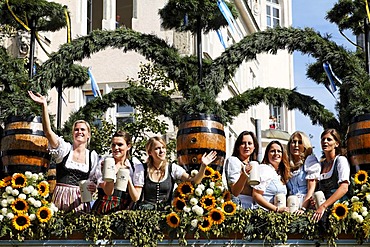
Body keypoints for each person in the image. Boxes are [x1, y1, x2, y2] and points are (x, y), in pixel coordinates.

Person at [28, 91, 99, 213]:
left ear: (88, 135)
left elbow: (94, 182)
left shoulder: (92, 156)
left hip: (80, 202)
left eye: (83, 130)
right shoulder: (65, 149)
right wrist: (44, 105)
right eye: (76, 130)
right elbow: (48, 132)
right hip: (60, 198)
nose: (79, 132)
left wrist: (94, 187)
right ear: (73, 133)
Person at [139, 136, 217, 210]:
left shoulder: (172, 168)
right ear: (149, 152)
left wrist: (203, 166)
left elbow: (194, 181)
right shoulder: (143, 169)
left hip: (165, 214)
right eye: (157, 148)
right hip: (145, 213)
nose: (162, 151)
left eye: (163, 147)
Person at [92, 131, 144, 214]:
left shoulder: (134, 165)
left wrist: (127, 178)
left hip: (125, 210)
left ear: (128, 146)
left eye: (120, 144)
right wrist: (109, 174)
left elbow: (136, 197)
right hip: (103, 208)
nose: (116, 148)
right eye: (113, 145)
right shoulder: (104, 162)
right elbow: (108, 192)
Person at [312, 129, 350, 221]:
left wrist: (324, 206)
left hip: (339, 208)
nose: (325, 141)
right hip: (322, 207)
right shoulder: (320, 165)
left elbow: (344, 188)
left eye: (329, 139)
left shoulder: (341, 160)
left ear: (336, 144)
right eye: (323, 139)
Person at [252, 140, 290, 212]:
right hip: (263, 214)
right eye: (272, 151)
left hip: (274, 217)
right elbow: (256, 195)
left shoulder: (278, 174)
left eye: (279, 151)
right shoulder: (265, 169)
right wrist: (276, 209)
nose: (276, 153)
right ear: (267, 154)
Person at [223, 131, 258, 209]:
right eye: (243, 143)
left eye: (250, 143)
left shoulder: (254, 164)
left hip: (253, 206)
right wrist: (244, 174)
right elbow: (235, 191)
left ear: (254, 147)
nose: (246, 146)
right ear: (238, 147)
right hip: (239, 205)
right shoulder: (234, 161)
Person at [286, 131, 320, 213]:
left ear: (305, 146)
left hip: (305, 204)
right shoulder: (287, 164)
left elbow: (311, 188)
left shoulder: (309, 161)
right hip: (291, 204)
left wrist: (303, 208)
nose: (296, 145)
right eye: (293, 142)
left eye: (300, 142)